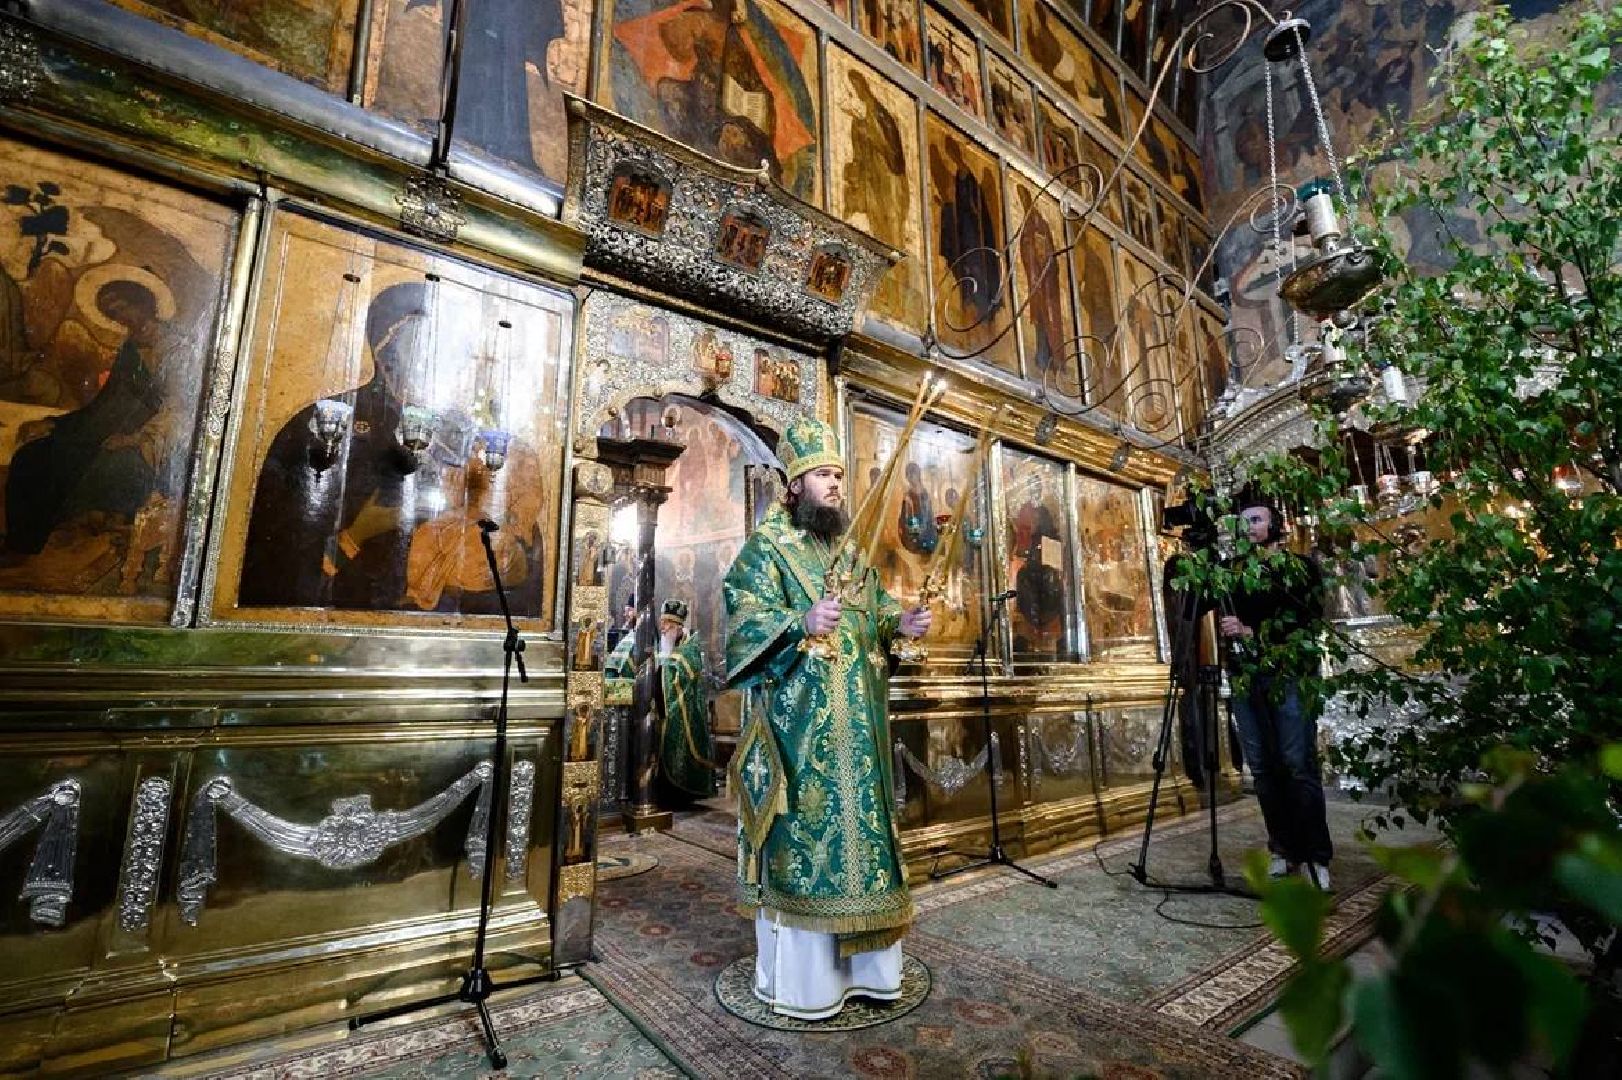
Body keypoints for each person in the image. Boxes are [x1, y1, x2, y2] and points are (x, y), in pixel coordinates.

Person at [722, 416, 931, 1020]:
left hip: (857, 730)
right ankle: (808, 984)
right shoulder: (767, 549)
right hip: (800, 733)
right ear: (795, 485)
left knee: (864, 842)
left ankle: (870, 973)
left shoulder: (850, 549)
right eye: (823, 475)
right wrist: (799, 623)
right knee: (808, 845)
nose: (836, 485)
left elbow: (876, 613)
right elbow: (743, 621)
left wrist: (900, 624)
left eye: (839, 474)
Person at [1217, 498, 1333, 889]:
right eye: (1243, 520)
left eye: (1256, 519)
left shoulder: (1299, 567)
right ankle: (1283, 849)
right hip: (1246, 677)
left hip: (1289, 674)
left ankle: (1316, 855)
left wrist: (1253, 632)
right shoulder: (1232, 574)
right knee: (1263, 769)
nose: (1248, 526)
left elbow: (1310, 620)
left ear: (1275, 524)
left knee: (1297, 763)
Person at [604, 598, 718, 801]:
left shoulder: (691, 648)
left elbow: (680, 673)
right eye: (663, 623)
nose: (664, 629)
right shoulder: (660, 644)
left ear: (680, 627)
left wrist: (663, 665)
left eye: (670, 625)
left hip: (682, 711)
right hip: (659, 705)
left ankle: (679, 792)